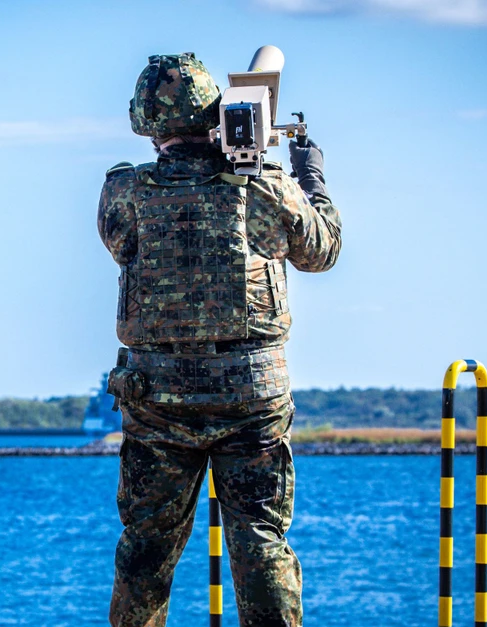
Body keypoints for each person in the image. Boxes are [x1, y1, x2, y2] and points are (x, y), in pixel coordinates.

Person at [98, 53, 342, 627]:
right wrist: (308, 175)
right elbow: (321, 250)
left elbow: (121, 245)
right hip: (250, 396)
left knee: (147, 547)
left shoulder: (124, 193)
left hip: (157, 398)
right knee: (260, 541)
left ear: (145, 122)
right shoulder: (262, 187)